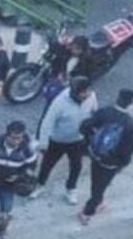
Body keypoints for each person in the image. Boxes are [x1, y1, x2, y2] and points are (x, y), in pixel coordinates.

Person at [31, 75, 99, 204]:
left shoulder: (92, 96)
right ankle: (40, 185)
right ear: (75, 92)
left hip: (77, 140)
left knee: (76, 166)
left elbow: (94, 112)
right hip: (57, 141)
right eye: (84, 92)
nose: (87, 94)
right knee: (47, 165)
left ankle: (71, 189)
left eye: (89, 90)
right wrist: (43, 144)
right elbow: (47, 122)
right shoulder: (59, 102)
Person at [78, 88, 133, 224]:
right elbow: (129, 149)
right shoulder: (131, 124)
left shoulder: (104, 112)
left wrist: (90, 142)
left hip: (96, 154)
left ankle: (98, 199)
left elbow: (84, 126)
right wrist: (122, 164)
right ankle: (88, 211)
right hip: (112, 161)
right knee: (100, 186)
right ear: (131, 102)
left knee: (96, 180)